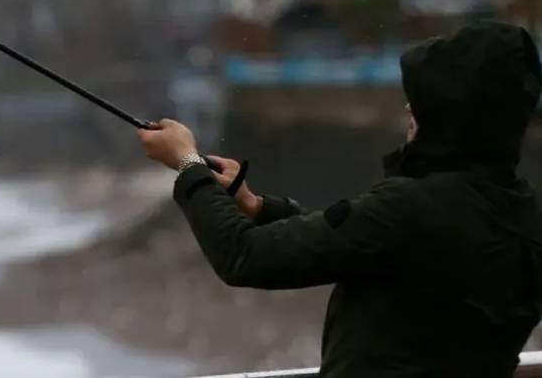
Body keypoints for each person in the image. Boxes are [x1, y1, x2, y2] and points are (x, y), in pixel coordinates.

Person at [137, 21, 542, 377]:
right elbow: (366, 243)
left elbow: (244, 256)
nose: (407, 109)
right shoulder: (523, 217)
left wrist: (188, 163)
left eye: (422, 102)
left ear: (451, 117)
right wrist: (259, 207)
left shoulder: (409, 210)